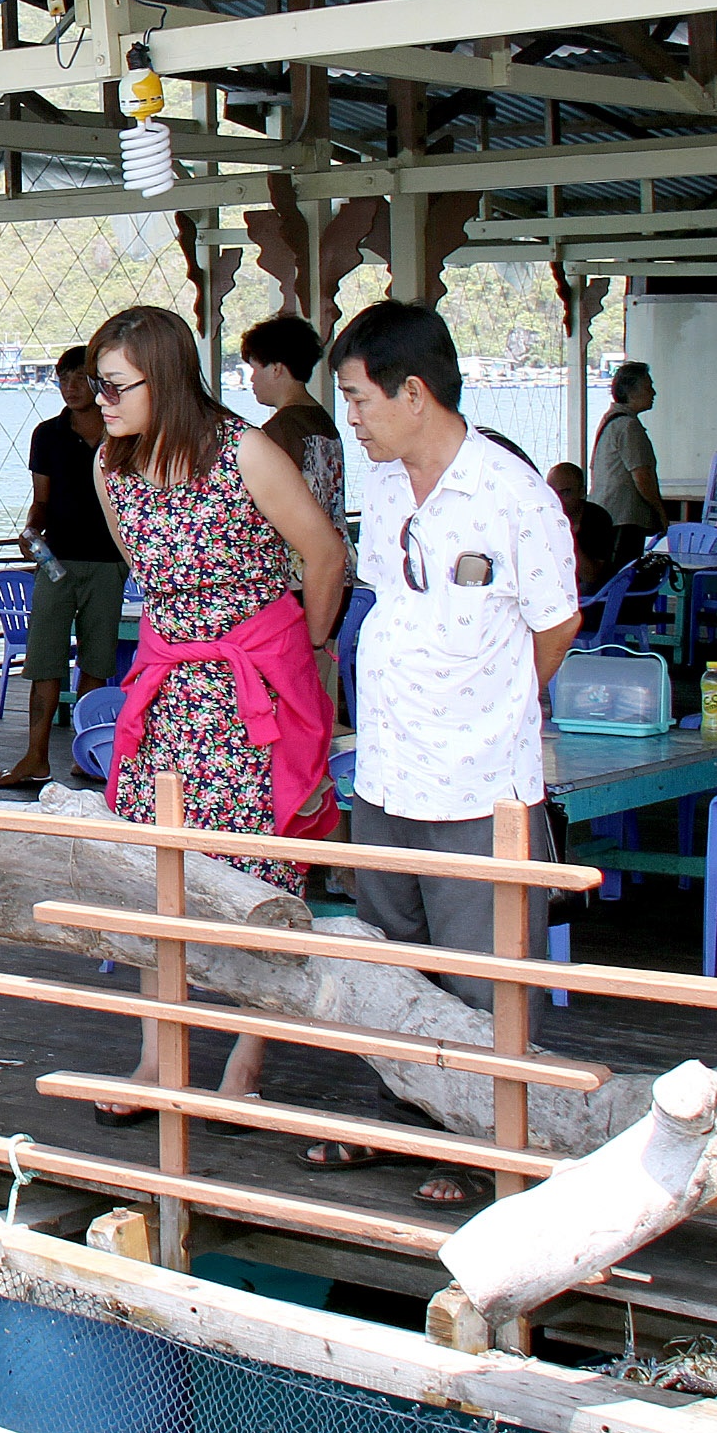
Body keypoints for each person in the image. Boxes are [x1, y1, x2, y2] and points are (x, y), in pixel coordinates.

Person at [296, 302, 582, 1207]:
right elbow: (390, 595)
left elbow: (556, 624)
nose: (352, 417)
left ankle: (484, 1145)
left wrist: (490, 703)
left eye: (358, 398)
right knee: (395, 956)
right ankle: (404, 1118)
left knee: (482, 975)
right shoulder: (384, 485)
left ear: (413, 393)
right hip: (386, 770)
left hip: (479, 782)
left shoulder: (512, 494)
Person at [84, 305, 344, 1122]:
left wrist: (301, 650)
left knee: (259, 868)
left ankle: (243, 1065)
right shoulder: (111, 466)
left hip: (253, 691)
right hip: (169, 691)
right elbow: (148, 570)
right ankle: (158, 1060)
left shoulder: (247, 452)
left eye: (114, 384)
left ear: (162, 378)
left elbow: (325, 552)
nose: (100, 400)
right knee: (158, 875)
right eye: (96, 385)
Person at [0, 346, 127, 790]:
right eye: (62, 379)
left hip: (110, 564)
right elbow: (42, 502)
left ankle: (86, 755)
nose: (69, 388)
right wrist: (32, 531)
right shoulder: (47, 435)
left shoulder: (123, 434)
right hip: (57, 563)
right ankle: (35, 756)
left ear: (98, 381)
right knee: (44, 660)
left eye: (78, 379)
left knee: (97, 661)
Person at [240, 315, 347, 532]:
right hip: (338, 547)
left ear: (276, 369)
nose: (252, 379)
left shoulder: (280, 430)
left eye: (255, 369)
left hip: (299, 556)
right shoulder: (322, 420)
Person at [589, 362, 665, 568]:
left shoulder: (611, 420)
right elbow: (642, 476)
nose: (653, 392)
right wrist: (659, 511)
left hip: (607, 514)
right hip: (624, 519)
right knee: (624, 576)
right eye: (648, 386)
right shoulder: (628, 426)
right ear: (631, 392)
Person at [544, 462, 616, 597]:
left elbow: (591, 576)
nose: (557, 500)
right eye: (551, 492)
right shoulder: (541, 516)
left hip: (590, 596)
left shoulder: (597, 518)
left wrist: (565, 534)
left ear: (582, 492)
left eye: (565, 492)